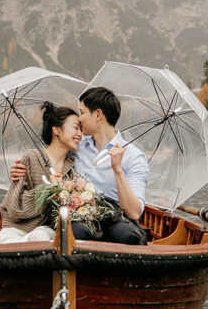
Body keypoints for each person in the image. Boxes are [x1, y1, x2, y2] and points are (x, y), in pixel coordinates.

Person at [11, 86, 149, 245]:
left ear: (98, 114)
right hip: (80, 214)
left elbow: (134, 212)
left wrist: (117, 169)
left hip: (115, 216)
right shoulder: (76, 147)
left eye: (82, 112)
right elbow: (49, 159)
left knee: (126, 235)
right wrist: (21, 171)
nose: (79, 118)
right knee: (73, 231)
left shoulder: (133, 156)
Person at [0, 101, 83, 244]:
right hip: (17, 229)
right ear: (56, 130)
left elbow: (68, 212)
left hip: (45, 231)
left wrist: (67, 192)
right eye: (76, 128)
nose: (80, 134)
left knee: (41, 237)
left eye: (81, 129)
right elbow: (14, 208)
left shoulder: (72, 167)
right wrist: (49, 189)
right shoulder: (31, 157)